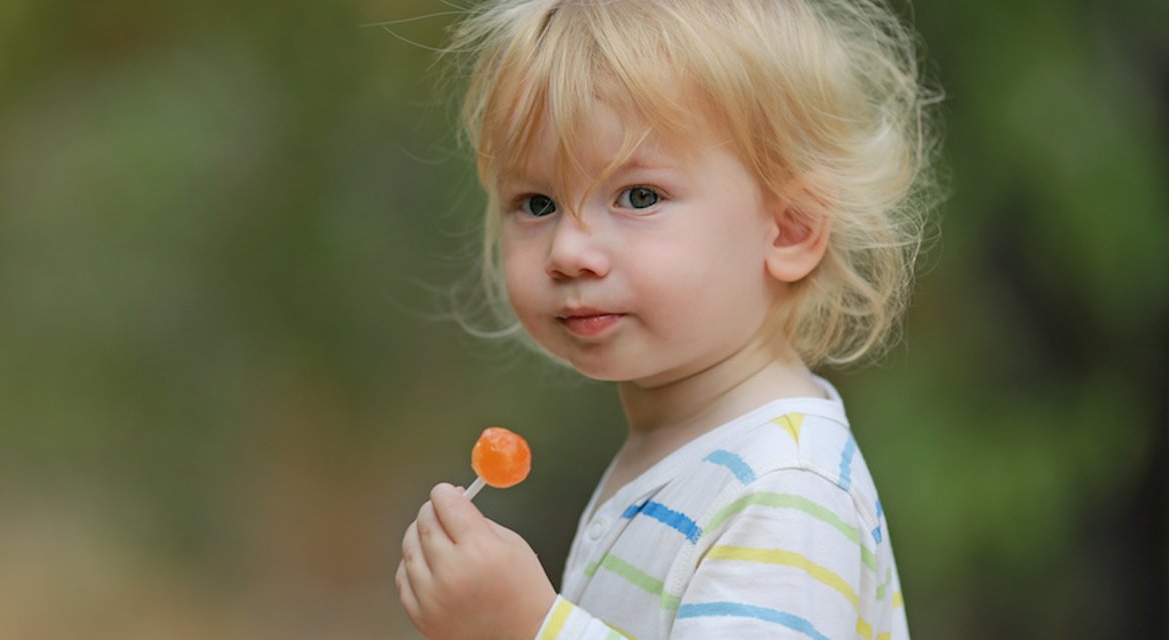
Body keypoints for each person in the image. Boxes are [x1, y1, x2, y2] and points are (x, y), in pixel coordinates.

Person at [393, 0, 940, 638]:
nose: (567, 252)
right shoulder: (686, 453)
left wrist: (527, 627)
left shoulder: (785, 489)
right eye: (536, 202)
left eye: (639, 196)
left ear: (791, 228)